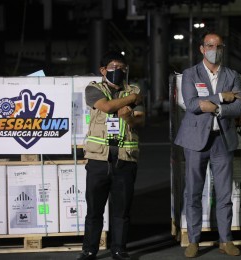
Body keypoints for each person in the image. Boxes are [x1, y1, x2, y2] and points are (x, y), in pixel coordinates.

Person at [174, 31, 241, 258]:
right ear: (202, 49)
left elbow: (240, 108)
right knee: (193, 192)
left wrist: (215, 107)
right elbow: (193, 104)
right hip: (195, 142)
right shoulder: (190, 74)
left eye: (219, 46)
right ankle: (194, 240)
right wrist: (223, 98)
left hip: (222, 140)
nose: (215, 50)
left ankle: (226, 240)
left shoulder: (233, 75)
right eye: (210, 46)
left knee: (224, 194)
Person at [77, 51, 144, 260]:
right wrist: (131, 100)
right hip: (98, 160)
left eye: (122, 67)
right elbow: (105, 107)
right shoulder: (94, 89)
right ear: (103, 70)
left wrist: (130, 118)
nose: (118, 70)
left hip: (125, 159)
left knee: (121, 210)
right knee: (94, 210)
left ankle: (119, 249)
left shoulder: (133, 89)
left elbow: (140, 120)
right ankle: (89, 250)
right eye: (113, 67)